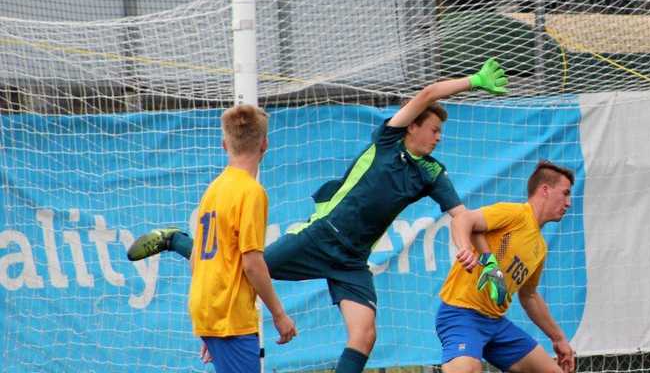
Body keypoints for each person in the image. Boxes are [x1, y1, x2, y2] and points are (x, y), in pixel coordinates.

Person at [129, 59, 509, 373]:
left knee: (364, 334)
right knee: (241, 266)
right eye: (434, 129)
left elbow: (463, 216)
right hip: (321, 235)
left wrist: (485, 260)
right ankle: (177, 239)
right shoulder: (389, 139)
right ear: (413, 126)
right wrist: (472, 81)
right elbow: (426, 93)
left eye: (441, 132)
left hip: (351, 259)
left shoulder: (432, 173)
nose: (439, 137)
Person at [436, 160, 577, 373]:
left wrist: (558, 339)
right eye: (565, 193)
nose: (569, 203)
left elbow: (529, 296)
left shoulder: (540, 247)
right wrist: (465, 248)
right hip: (461, 314)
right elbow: (463, 220)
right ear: (545, 190)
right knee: (467, 370)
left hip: (495, 324)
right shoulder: (516, 214)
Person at [190, 104, 297, 372]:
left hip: (210, 311)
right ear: (265, 145)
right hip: (230, 316)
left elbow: (195, 259)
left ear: (224, 144)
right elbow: (251, 263)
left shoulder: (213, 189)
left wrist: (212, 327)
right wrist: (279, 315)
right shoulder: (251, 192)